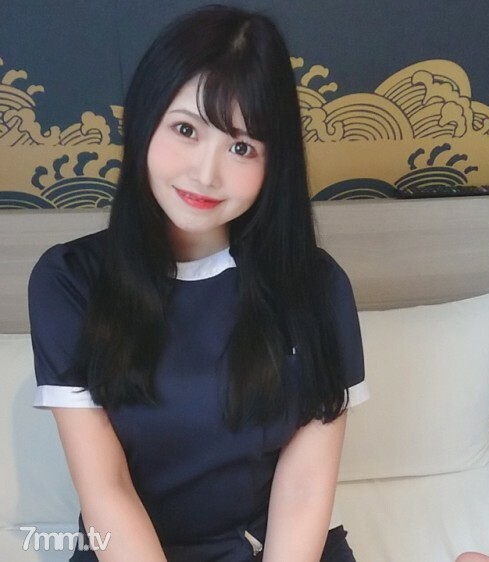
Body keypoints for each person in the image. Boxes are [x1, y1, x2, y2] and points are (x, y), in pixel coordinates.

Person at [28, 5, 368, 561]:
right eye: (186, 129)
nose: (206, 174)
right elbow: (107, 489)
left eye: (242, 147)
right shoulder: (70, 282)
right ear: (145, 121)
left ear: (274, 163)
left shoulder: (317, 287)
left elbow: (304, 489)